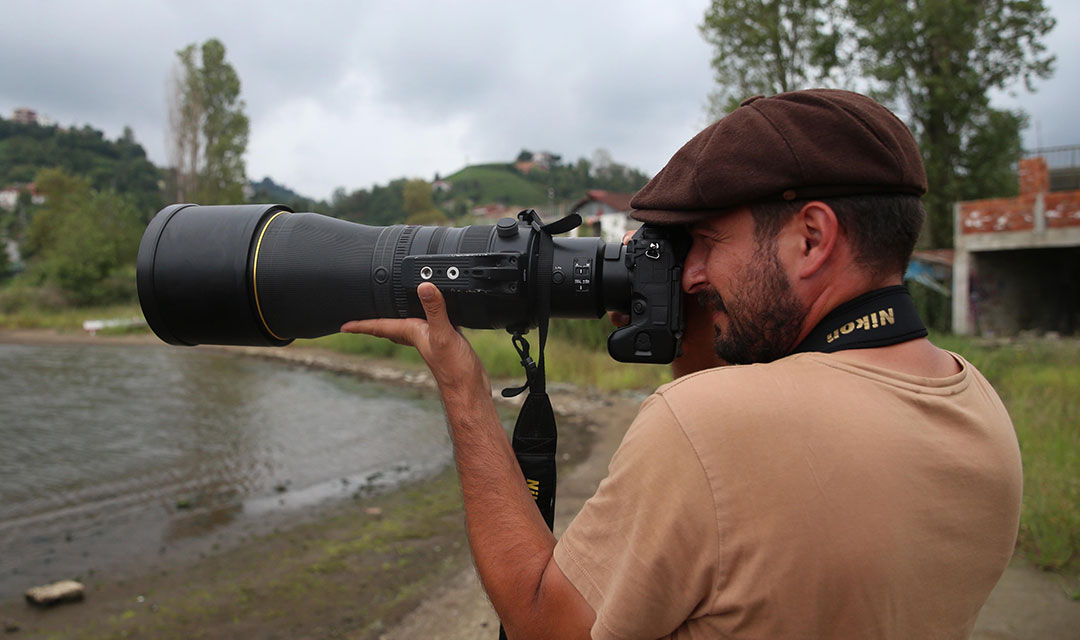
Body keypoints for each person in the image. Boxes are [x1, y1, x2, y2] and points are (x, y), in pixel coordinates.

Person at [343, 89, 1021, 639]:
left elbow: (541, 623)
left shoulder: (709, 429)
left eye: (705, 242)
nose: (691, 273)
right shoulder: (976, 406)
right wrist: (697, 338)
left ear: (811, 237)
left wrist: (463, 386)